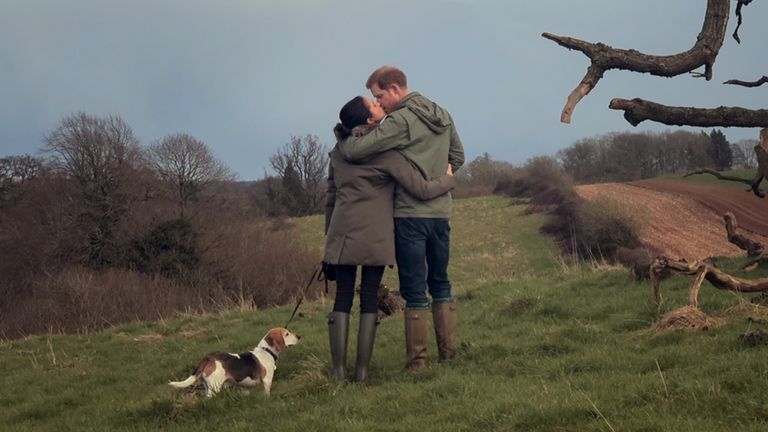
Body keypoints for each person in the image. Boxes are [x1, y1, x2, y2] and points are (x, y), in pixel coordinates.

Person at [337, 66, 464, 370]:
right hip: (441, 213)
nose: (379, 102)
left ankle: (417, 363)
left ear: (394, 89)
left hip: (410, 213)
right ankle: (448, 355)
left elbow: (358, 150)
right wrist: (441, 178)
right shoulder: (442, 114)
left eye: (379, 95)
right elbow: (457, 157)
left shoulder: (400, 121)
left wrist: (343, 139)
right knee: (442, 283)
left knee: (414, 287)